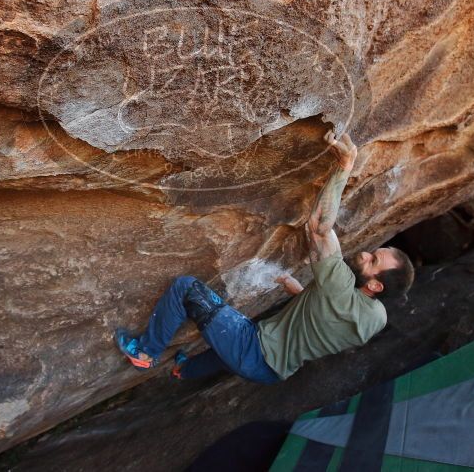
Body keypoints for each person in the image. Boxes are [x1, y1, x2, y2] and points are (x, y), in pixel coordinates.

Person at [114, 131, 415, 383]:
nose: (364, 254)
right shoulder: (376, 318)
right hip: (274, 372)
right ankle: (184, 369)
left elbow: (320, 227)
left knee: (187, 290)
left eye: (373, 261)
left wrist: (345, 167)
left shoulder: (340, 287)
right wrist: (296, 290)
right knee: (229, 338)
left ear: (375, 285)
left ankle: (145, 352)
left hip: (252, 349)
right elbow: (323, 319)